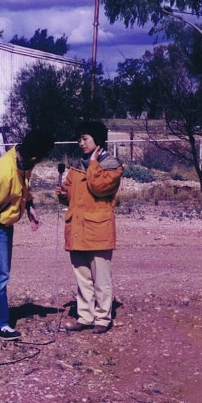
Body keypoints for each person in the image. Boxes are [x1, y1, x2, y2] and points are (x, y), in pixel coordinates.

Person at [0, 129, 56, 340]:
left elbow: (22, 188)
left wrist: (30, 207)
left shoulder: (22, 162)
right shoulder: (2, 172)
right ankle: (0, 325)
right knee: (1, 274)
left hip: (6, 225)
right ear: (35, 157)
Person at [56, 121, 123, 334]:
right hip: (77, 230)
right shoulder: (76, 167)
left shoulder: (112, 166)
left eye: (85, 138)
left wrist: (93, 164)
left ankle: (103, 318)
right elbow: (71, 198)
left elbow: (99, 187)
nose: (81, 143)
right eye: (79, 139)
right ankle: (85, 315)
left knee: (101, 278)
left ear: (98, 140)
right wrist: (64, 194)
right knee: (82, 277)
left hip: (98, 231)